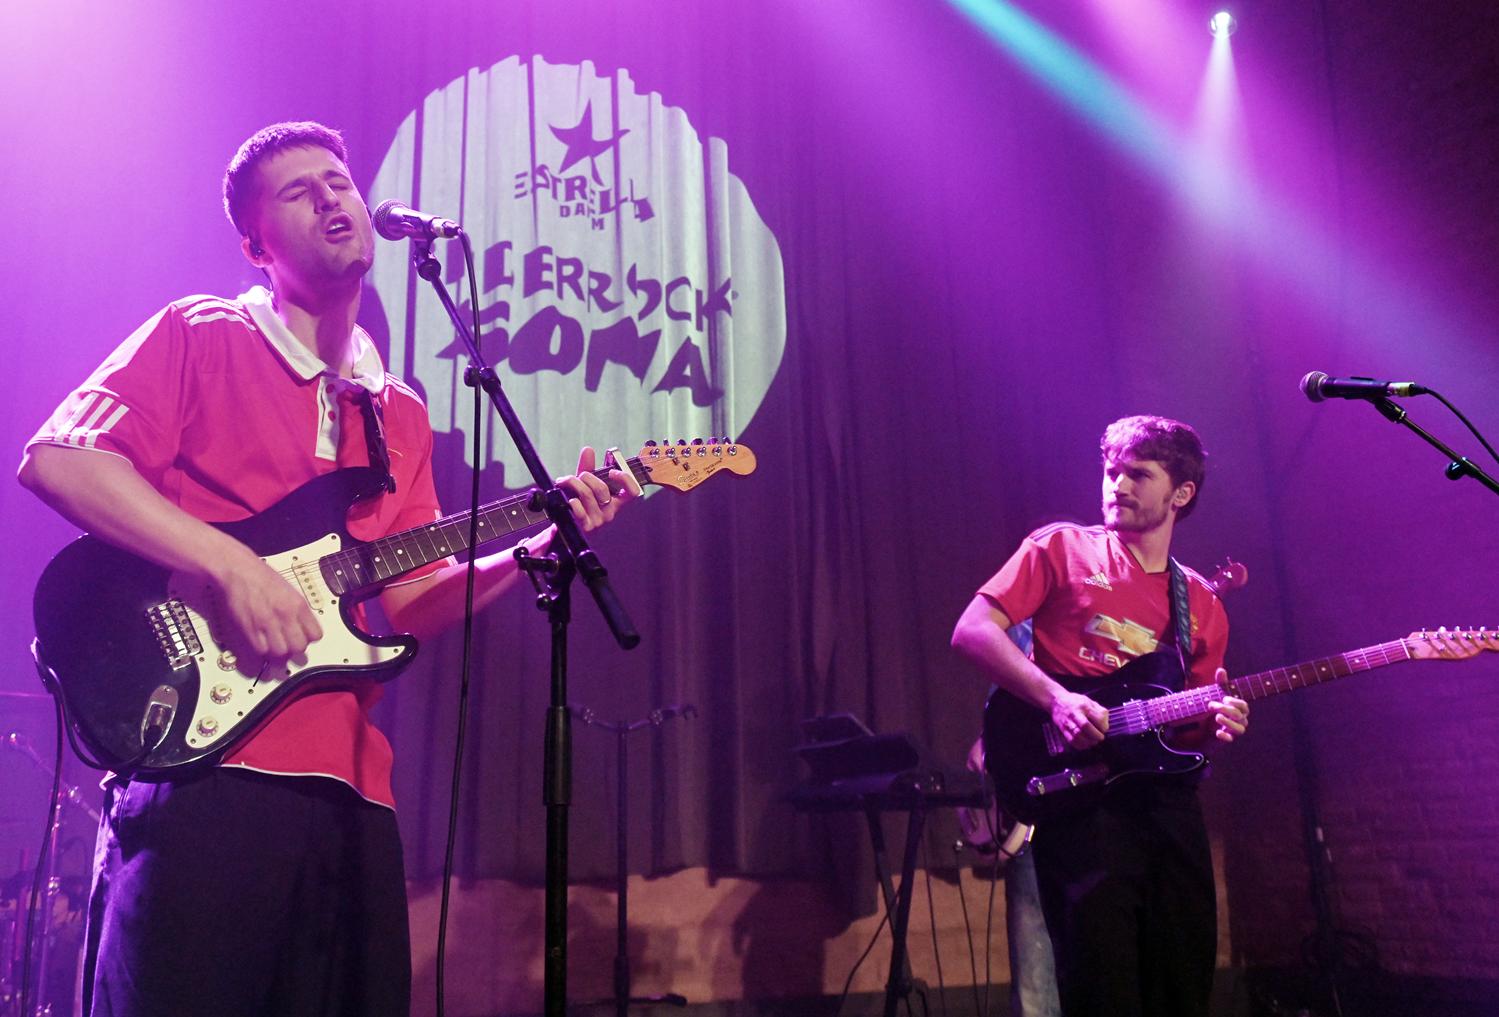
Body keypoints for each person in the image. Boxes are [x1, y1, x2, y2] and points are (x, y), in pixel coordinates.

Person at [17, 121, 638, 1017]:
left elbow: (412, 600)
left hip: (351, 795)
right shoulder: (202, 333)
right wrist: (230, 564)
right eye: (298, 191)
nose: (330, 198)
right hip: (205, 769)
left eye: (339, 182)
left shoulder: (399, 410)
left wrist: (532, 547)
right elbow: (58, 461)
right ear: (255, 245)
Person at [951, 415, 1250, 1017]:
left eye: (1138, 475)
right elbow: (973, 631)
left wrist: (1220, 725)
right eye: (1111, 472)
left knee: (1182, 984)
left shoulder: (1201, 602)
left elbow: (1187, 732)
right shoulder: (1061, 548)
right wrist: (1056, 699)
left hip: (1167, 809)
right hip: (1081, 803)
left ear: (1181, 494)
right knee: (1101, 989)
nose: (1118, 485)